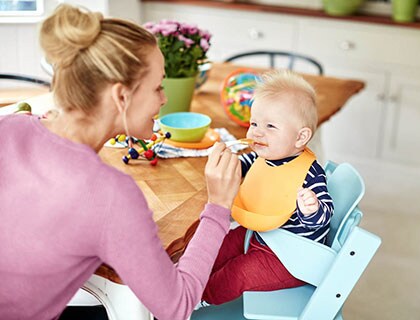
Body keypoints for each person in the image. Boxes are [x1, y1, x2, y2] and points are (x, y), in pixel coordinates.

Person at [0, 4, 241, 320]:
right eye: (157, 86)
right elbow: (177, 305)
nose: (164, 99)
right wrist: (219, 207)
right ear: (121, 96)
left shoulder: (10, 127)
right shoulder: (111, 195)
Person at [199, 70, 334, 306]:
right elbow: (246, 166)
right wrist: (228, 166)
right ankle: (193, 277)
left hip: (288, 257)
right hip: (262, 234)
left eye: (270, 126)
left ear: (300, 137)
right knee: (222, 242)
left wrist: (312, 209)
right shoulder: (265, 156)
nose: (256, 132)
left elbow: (324, 217)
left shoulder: (309, 174)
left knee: (237, 272)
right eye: (254, 123)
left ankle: (200, 298)